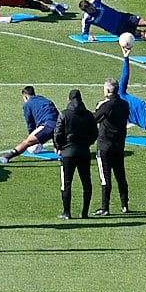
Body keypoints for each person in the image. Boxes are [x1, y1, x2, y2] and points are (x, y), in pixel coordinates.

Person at [54, 88, 97, 220]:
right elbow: (94, 134)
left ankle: (67, 212)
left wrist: (59, 147)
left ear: (69, 100)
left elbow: (57, 134)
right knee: (86, 183)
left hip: (67, 153)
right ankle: (84, 212)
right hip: (84, 152)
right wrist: (86, 144)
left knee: (66, 183)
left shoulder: (64, 114)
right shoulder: (89, 115)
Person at [92, 78, 131, 216]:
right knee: (121, 175)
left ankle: (105, 208)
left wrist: (99, 107)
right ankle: (124, 205)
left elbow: (94, 118)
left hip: (105, 145)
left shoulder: (107, 105)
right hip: (119, 145)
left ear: (107, 90)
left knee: (105, 178)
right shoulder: (125, 104)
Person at [6, 85, 59, 157]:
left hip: (47, 125)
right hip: (60, 125)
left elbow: (30, 123)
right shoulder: (44, 99)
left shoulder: (28, 104)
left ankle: (7, 157)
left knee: (30, 145)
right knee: (58, 151)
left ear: (25, 96)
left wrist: (32, 135)